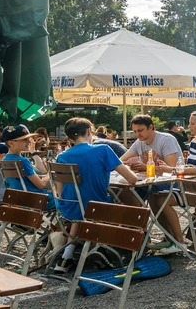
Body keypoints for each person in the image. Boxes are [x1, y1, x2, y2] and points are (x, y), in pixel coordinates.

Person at [53, 117, 138, 273]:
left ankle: (68, 253)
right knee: (115, 199)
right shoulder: (102, 150)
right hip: (97, 209)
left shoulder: (62, 156)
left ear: (69, 137)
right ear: (89, 132)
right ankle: (101, 247)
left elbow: (60, 189)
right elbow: (132, 179)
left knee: (82, 205)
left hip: (68, 208)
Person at [119, 114, 185, 252]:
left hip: (173, 183)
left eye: (140, 130)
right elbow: (120, 161)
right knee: (125, 193)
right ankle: (141, 234)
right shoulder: (139, 142)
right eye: (135, 131)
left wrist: (145, 167)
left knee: (156, 198)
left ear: (151, 127)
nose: (137, 134)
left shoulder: (166, 140)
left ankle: (177, 240)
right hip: (150, 182)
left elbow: (171, 168)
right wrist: (129, 165)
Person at [1, 124, 55, 210]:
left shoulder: (5, 160)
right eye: (24, 140)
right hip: (37, 201)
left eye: (28, 139)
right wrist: (51, 171)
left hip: (20, 201)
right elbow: (41, 185)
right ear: (11, 143)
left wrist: (32, 151)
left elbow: (42, 170)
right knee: (68, 199)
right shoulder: (23, 161)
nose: (29, 142)